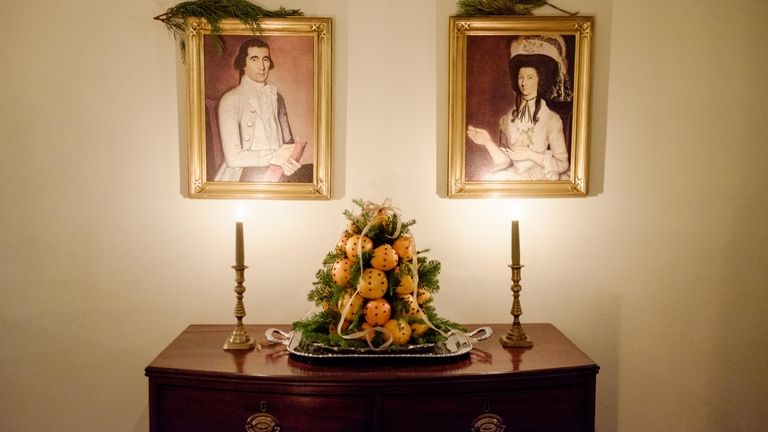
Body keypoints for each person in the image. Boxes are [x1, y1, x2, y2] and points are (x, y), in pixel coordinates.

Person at [466, 35, 572, 181]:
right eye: (521, 77)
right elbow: (505, 162)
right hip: (517, 176)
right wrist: (487, 142)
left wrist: (530, 155)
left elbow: (562, 165)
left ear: (540, 80)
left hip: (541, 178)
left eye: (530, 77)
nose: (523, 82)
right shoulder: (508, 118)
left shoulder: (551, 119)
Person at [214, 38, 307, 182]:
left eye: (266, 59)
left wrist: (290, 162)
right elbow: (233, 158)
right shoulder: (230, 100)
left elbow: (288, 142)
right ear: (243, 64)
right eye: (254, 59)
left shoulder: (277, 97)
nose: (262, 66)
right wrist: (273, 157)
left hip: (277, 172)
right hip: (243, 174)